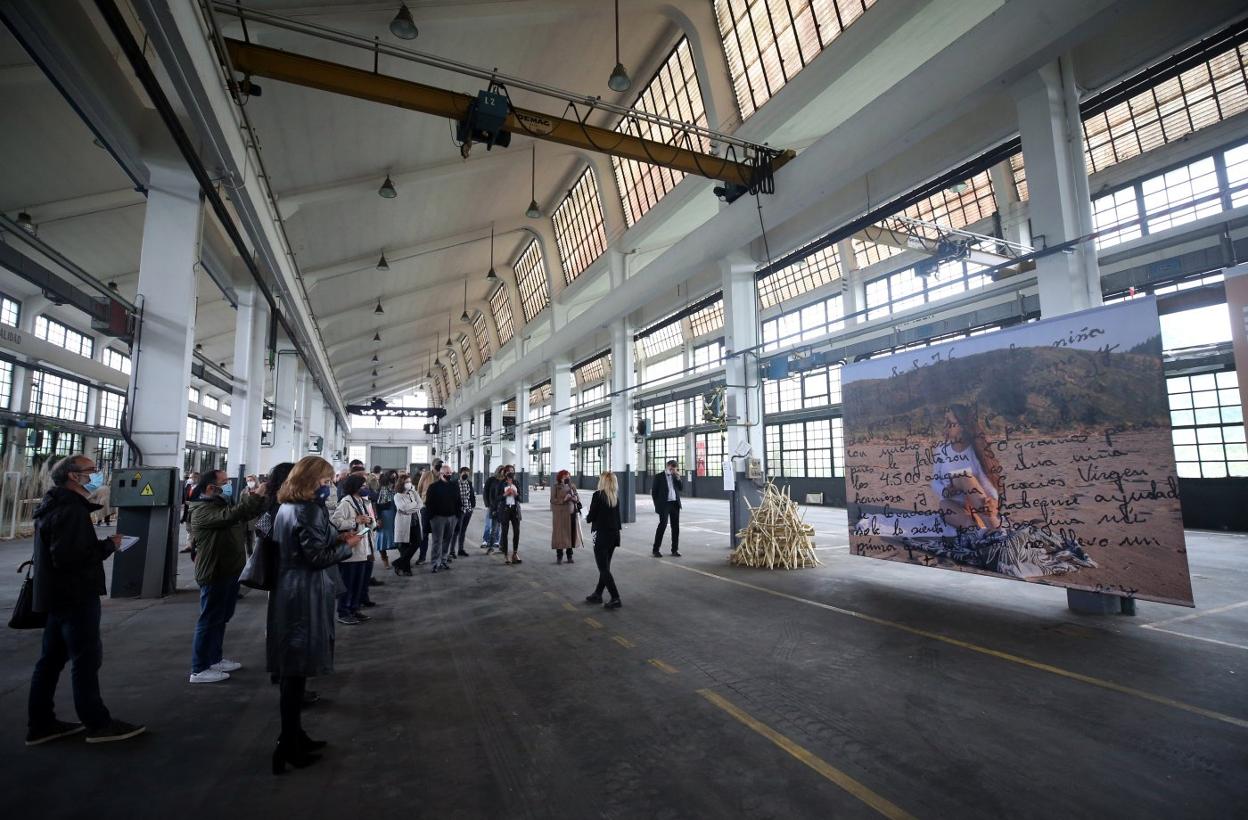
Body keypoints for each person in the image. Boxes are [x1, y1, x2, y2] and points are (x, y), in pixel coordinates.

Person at [27, 455, 145, 745]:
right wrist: (109, 545)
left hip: (56, 595)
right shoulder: (70, 511)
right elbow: (70, 557)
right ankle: (97, 723)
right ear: (73, 476)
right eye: (91, 470)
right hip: (76, 595)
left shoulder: (53, 504)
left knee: (51, 660)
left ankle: (41, 724)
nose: (96, 475)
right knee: (86, 659)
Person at [269, 456, 359, 774]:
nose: (329, 486)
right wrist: (347, 546)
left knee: (293, 673)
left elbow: (307, 543)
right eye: (325, 481)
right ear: (310, 480)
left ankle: (294, 734)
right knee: (295, 672)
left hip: (289, 590)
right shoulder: (307, 510)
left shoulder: (287, 507)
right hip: (302, 594)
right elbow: (316, 557)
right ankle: (287, 745)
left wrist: (336, 538)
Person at [186, 469, 267, 683]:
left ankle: (214, 658)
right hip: (214, 572)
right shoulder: (202, 511)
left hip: (229, 570)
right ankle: (199, 669)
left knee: (221, 618)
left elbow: (242, 515)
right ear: (210, 487)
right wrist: (257, 494)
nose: (228, 485)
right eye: (224, 482)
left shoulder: (218, 504)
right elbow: (231, 515)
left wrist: (259, 499)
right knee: (209, 619)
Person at [932, 403, 1003, 531]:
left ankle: (997, 531)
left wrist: (993, 501)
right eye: (944, 421)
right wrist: (944, 491)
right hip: (954, 506)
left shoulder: (974, 451)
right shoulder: (941, 450)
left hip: (977, 505)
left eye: (949, 422)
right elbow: (935, 481)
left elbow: (985, 480)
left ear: (962, 427)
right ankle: (977, 532)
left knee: (964, 476)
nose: (945, 426)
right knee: (943, 504)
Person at [330, 475, 374, 625]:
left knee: (358, 584)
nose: (365, 488)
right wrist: (355, 520)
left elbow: (364, 519)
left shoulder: (361, 501)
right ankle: (343, 612)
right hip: (351, 551)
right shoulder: (345, 502)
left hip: (362, 548)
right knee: (347, 584)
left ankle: (354, 609)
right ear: (355, 487)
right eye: (362, 486)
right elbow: (335, 522)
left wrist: (369, 521)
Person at [585, 471, 623, 609]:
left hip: (602, 536)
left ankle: (615, 598)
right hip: (614, 535)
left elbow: (591, 517)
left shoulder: (598, 495)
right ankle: (598, 594)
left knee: (603, 569)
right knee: (605, 567)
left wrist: (585, 514)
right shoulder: (615, 497)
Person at [425, 465, 460, 573]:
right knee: (437, 541)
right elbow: (428, 503)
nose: (449, 475)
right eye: (447, 473)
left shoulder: (454, 486)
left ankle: (443, 560)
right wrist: (431, 517)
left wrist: (457, 516)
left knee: (447, 540)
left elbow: (458, 501)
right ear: (441, 474)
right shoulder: (433, 487)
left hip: (452, 517)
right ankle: (435, 562)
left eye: (450, 473)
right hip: (438, 518)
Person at [650, 459, 683, 557]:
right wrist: (657, 506)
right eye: (671, 469)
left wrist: (678, 478)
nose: (673, 471)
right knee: (662, 525)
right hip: (664, 505)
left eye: (674, 469)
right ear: (667, 466)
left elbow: (681, 488)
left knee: (675, 527)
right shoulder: (659, 476)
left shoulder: (675, 476)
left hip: (675, 504)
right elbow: (654, 492)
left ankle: (674, 550)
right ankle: (656, 550)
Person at [550, 469, 582, 564]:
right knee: (560, 535)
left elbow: (577, 498)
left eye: (568, 476)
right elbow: (552, 500)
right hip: (560, 515)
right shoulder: (556, 486)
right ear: (560, 477)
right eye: (565, 476)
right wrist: (564, 499)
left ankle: (569, 556)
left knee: (570, 535)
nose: (567, 478)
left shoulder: (572, 486)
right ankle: (559, 556)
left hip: (571, 513)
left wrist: (575, 498)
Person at [391, 474, 420, 576]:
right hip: (403, 523)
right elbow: (402, 508)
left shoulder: (413, 492)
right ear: (401, 483)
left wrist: (410, 508)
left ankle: (398, 563)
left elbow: (420, 504)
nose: (409, 484)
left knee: (417, 542)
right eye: (407, 482)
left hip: (415, 522)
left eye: (409, 481)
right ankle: (406, 569)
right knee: (405, 546)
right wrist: (414, 505)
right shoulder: (397, 496)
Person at [493, 467, 522, 564]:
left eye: (512, 471)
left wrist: (516, 494)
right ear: (505, 473)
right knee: (504, 532)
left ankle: (515, 553)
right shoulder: (501, 484)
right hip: (505, 510)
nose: (511, 473)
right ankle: (506, 554)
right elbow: (497, 498)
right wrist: (505, 494)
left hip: (515, 510)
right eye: (509, 471)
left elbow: (520, 498)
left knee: (517, 532)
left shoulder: (516, 483)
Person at [373, 471, 396, 570]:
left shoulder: (396, 488)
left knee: (398, 538)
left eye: (395, 477)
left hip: (395, 516)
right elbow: (376, 505)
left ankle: (403, 560)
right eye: (392, 478)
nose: (394, 480)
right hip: (385, 516)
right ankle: (385, 560)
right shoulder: (381, 490)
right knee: (382, 539)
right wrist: (378, 518)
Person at [481, 466, 504, 554]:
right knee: (488, 524)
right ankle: (485, 540)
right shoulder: (491, 480)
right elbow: (485, 492)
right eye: (501, 471)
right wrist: (487, 504)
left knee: (497, 525)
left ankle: (496, 541)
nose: (502, 473)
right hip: (491, 505)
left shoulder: (504, 481)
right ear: (498, 471)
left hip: (500, 506)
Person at [453, 466, 475, 558]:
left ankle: (460, 549)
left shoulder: (469, 483)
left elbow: (472, 495)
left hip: (468, 510)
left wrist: (473, 506)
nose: (466, 474)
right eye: (464, 472)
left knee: (463, 530)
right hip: (459, 511)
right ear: (460, 473)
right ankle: (452, 551)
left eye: (467, 473)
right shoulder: (455, 483)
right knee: (456, 531)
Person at [180, 471, 201, 556]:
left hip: (196, 512)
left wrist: (192, 503)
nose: (189, 479)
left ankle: (198, 547)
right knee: (189, 529)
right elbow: (184, 498)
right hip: (187, 512)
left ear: (197, 478)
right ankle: (189, 546)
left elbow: (202, 501)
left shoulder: (201, 488)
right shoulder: (188, 486)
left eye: (191, 477)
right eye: (189, 477)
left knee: (196, 530)